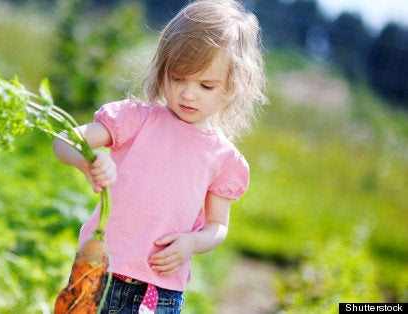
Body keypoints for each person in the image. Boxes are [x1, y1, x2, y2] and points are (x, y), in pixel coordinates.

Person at [53, 0, 267, 312]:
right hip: (100, 274)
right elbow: (65, 141)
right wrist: (86, 160)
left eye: (206, 85)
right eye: (177, 78)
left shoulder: (222, 157)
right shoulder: (136, 120)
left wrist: (192, 243)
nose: (188, 93)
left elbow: (217, 225)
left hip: (160, 289)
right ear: (163, 68)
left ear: (233, 85)